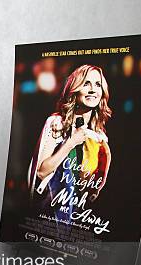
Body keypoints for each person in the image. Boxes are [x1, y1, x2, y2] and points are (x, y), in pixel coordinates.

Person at [28, 64, 112, 221]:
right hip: (49, 215)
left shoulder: (99, 137)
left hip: (80, 216)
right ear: (75, 89)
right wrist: (71, 142)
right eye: (86, 83)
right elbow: (41, 172)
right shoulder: (57, 123)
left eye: (98, 84)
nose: (93, 89)